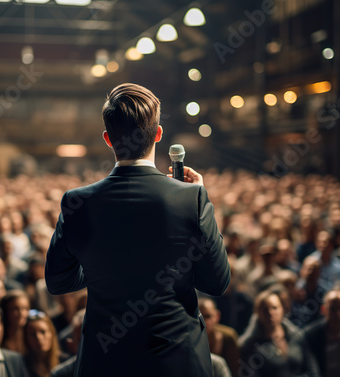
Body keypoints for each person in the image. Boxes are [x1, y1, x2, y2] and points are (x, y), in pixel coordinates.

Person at [45, 83, 230, 377]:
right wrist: (200, 200)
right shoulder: (190, 198)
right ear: (158, 134)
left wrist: (97, 271)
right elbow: (216, 282)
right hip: (176, 362)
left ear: (108, 139)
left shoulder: (77, 202)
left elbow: (58, 282)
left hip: (106, 363)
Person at [239, 290, 319, 377]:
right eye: (265, 310)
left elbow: (312, 369)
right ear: (258, 313)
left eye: (274, 308)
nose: (270, 313)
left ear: (282, 310)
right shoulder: (252, 345)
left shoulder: (296, 336)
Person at [23, 309, 61, 377]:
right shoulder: (22, 365)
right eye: (33, 334)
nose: (38, 337)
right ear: (26, 338)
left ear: (51, 333)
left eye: (43, 332)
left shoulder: (65, 361)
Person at [0, 290, 30, 354]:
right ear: (6, 311)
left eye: (25, 308)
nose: (21, 313)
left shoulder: (32, 338)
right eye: (15, 309)